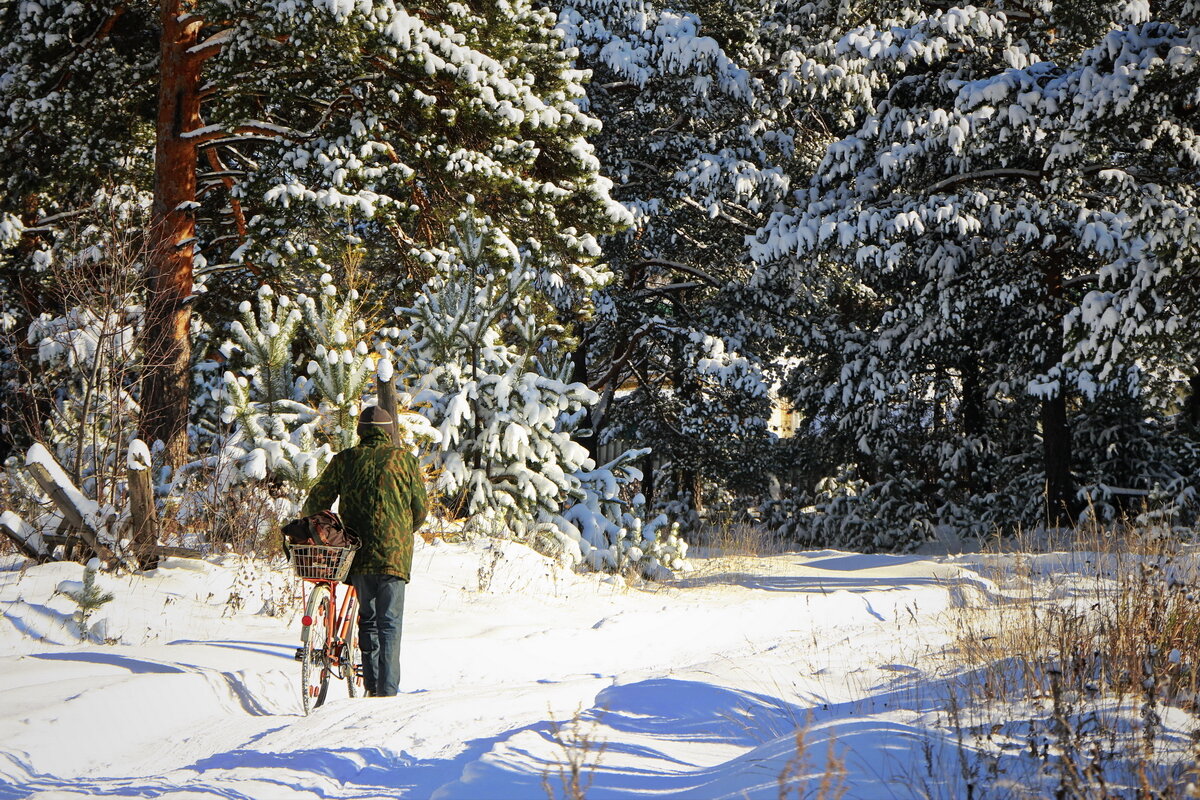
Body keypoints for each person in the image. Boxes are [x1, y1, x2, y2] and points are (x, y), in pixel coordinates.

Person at [302, 405, 427, 697]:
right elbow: (420, 509)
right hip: (394, 556)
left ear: (361, 431)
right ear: (388, 432)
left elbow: (317, 501)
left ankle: (371, 688)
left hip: (356, 552)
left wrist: (320, 529)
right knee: (390, 622)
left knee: (367, 619)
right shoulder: (404, 461)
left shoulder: (345, 460)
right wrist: (402, 532)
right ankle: (388, 691)